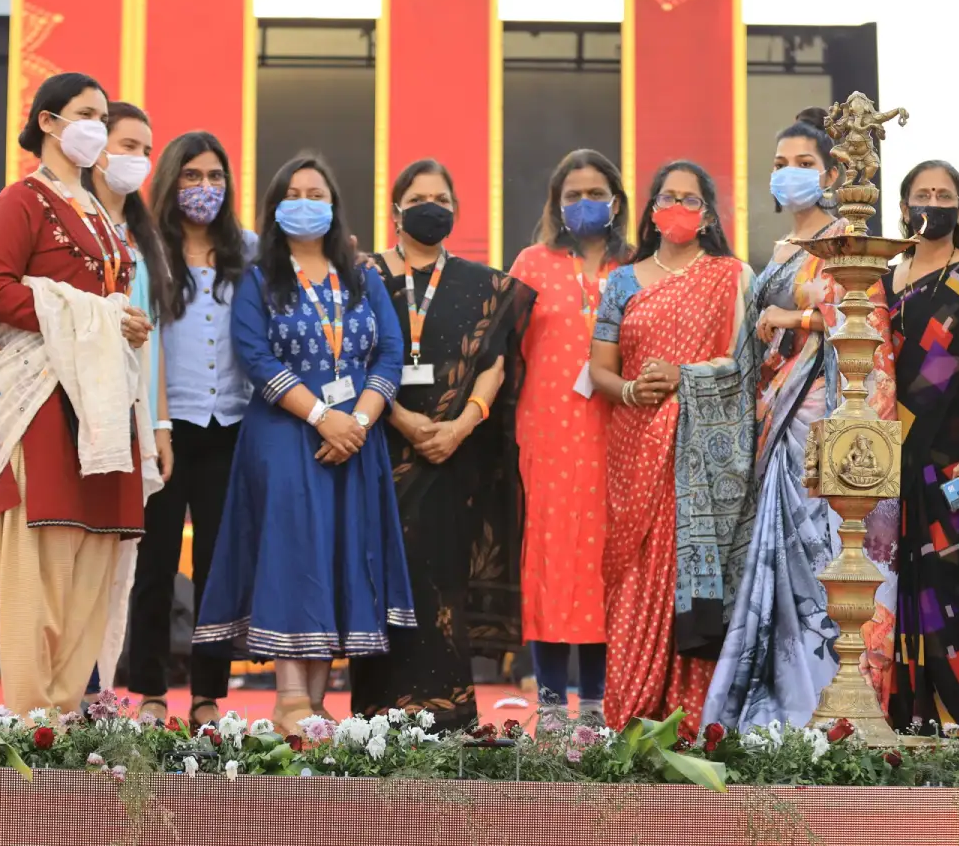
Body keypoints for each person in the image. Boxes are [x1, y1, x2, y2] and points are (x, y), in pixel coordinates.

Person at [194, 154, 411, 730]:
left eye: (317, 192)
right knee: (295, 555)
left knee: (338, 554)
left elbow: (390, 351)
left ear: (334, 206)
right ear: (274, 206)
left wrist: (358, 423)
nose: (306, 201)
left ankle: (317, 704)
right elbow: (256, 356)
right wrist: (323, 417)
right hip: (286, 438)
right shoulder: (259, 278)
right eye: (294, 192)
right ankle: (289, 697)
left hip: (355, 444)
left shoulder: (361, 276)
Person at [702, 113, 900, 731]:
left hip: (826, 414)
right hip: (776, 414)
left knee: (825, 548)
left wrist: (797, 320)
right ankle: (783, 706)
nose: (790, 173)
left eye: (805, 163)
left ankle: (835, 698)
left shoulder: (846, 239)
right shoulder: (784, 250)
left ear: (833, 174)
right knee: (783, 557)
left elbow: (864, 319)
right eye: (782, 162)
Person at [0, 72, 158, 712]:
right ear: (49, 122)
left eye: (104, 118)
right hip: (42, 400)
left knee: (94, 565)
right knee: (42, 568)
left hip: (104, 404)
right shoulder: (20, 201)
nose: (97, 129)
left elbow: (104, 305)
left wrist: (123, 320)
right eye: (86, 114)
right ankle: (30, 725)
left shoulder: (103, 216)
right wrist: (96, 314)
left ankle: (67, 719)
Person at [347, 159, 535, 732]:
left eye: (442, 196)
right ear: (395, 208)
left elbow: (496, 366)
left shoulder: (485, 284)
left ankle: (448, 714)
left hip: (456, 458)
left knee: (444, 577)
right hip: (380, 450)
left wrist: (459, 427)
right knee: (383, 576)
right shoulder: (363, 276)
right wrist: (400, 418)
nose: (432, 205)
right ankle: (377, 719)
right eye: (419, 196)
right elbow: (349, 358)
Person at [589, 160, 755, 732]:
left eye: (689, 198)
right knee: (635, 574)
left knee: (691, 569)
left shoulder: (732, 276)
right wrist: (634, 388)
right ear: (652, 210)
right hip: (636, 447)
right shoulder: (622, 281)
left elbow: (747, 366)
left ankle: (694, 720)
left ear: (706, 214)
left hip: (703, 458)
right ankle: (631, 717)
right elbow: (601, 371)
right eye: (667, 197)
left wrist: (688, 377)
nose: (677, 207)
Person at [119, 131, 256, 728]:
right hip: (164, 430)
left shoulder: (247, 250)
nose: (205, 189)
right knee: (154, 566)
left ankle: (208, 695)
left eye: (215, 177)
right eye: (193, 177)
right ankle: (150, 691)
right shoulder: (147, 250)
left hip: (231, 425)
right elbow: (142, 338)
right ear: (171, 181)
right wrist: (159, 425)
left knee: (216, 569)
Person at [881, 160, 959, 736]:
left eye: (943, 195)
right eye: (920, 194)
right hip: (889, 463)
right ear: (905, 207)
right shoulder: (884, 279)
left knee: (947, 594)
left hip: (955, 462)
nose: (931, 203)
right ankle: (902, 730)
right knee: (896, 590)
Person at [509, 149, 633, 723]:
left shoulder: (636, 267)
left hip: (621, 432)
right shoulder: (532, 263)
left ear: (616, 201)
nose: (585, 204)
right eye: (573, 195)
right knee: (552, 562)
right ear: (557, 205)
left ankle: (601, 706)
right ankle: (554, 707)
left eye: (596, 193)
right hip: (549, 434)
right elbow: (498, 348)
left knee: (607, 564)